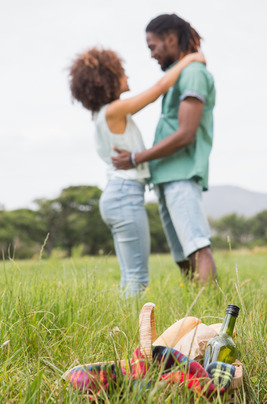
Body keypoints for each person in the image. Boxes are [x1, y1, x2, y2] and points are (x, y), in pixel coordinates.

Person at [68, 46, 206, 296]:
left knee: (129, 276)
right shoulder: (114, 110)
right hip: (125, 195)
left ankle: (120, 322)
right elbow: (157, 91)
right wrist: (189, 61)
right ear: (106, 80)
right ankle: (131, 329)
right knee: (137, 277)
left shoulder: (102, 115)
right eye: (122, 73)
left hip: (116, 195)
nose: (128, 77)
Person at [112, 14, 217, 284]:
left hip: (181, 174)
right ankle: (194, 312)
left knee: (196, 246)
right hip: (166, 176)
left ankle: (211, 312)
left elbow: (185, 134)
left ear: (171, 38)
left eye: (153, 46)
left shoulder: (193, 73)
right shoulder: (182, 73)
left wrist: (136, 158)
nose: (151, 54)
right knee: (182, 255)